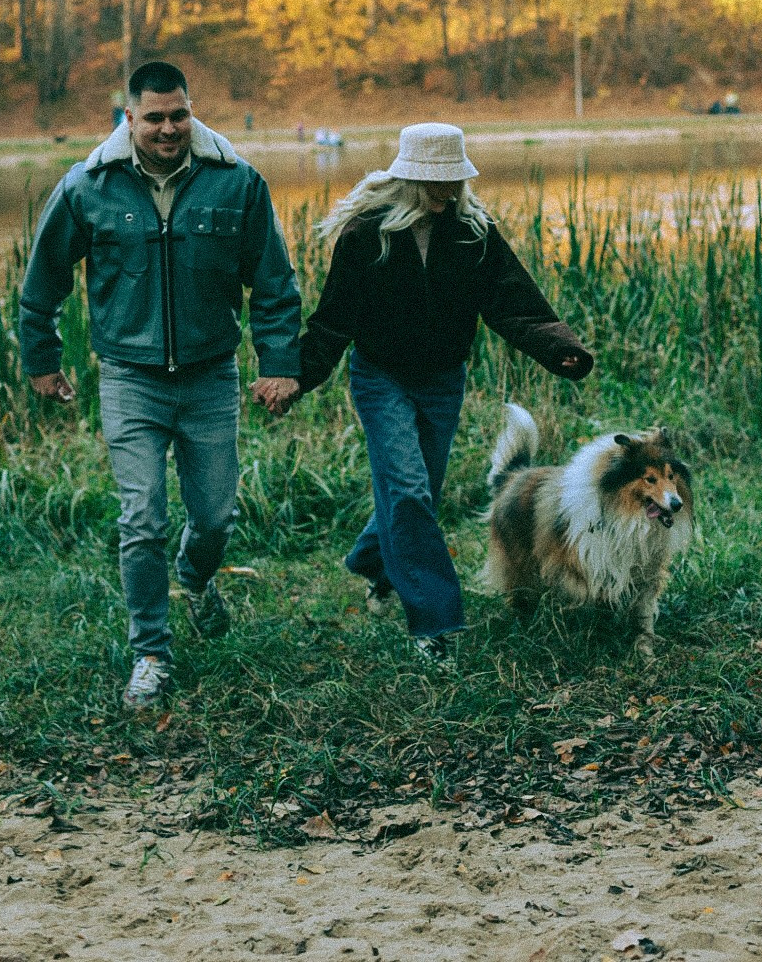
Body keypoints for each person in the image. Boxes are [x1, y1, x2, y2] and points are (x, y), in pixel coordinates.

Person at [254, 123, 593, 664]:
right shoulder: (367, 236)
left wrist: (560, 349)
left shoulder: (474, 233)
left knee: (418, 494)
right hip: (380, 378)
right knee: (409, 491)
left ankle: (374, 560)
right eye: (436, 181)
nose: (447, 191)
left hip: (442, 381)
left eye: (454, 180)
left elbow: (514, 303)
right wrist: (296, 376)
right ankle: (435, 626)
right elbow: (334, 321)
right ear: (408, 179)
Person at [19, 61, 301, 709]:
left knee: (215, 518)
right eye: (154, 118)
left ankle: (195, 579)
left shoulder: (237, 182)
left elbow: (274, 282)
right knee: (141, 519)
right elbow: (43, 281)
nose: (168, 129)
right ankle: (150, 653)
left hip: (210, 377)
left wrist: (279, 363)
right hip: (129, 379)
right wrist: (42, 359)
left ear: (191, 111)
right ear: (129, 117)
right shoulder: (88, 185)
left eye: (179, 115)